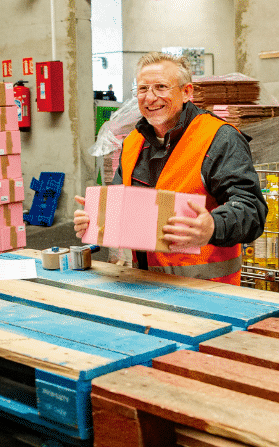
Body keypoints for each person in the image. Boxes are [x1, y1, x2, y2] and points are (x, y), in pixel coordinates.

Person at [73, 52, 266, 284]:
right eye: (143, 89)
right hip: (144, 285)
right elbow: (122, 207)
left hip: (207, 292)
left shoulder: (219, 138)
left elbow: (252, 210)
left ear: (187, 92)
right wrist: (95, 219)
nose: (150, 98)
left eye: (161, 87)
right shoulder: (133, 142)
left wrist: (214, 226)